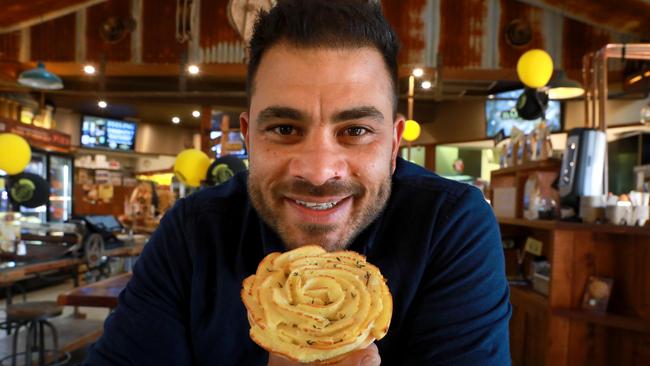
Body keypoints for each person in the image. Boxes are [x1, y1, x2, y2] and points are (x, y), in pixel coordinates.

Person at [84, 0, 511, 365]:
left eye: (356, 130)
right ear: (249, 136)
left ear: (395, 143)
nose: (319, 172)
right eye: (285, 129)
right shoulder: (193, 231)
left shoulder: (451, 224)